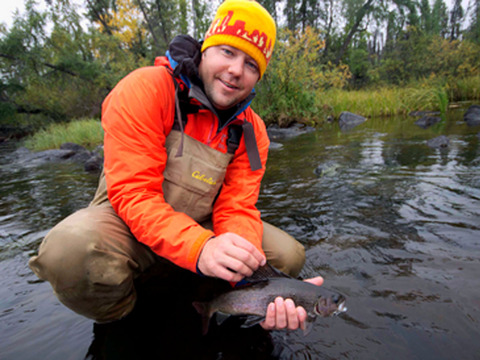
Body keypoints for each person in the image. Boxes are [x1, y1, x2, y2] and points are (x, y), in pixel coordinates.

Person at [28, 0, 323, 332]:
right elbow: (134, 194)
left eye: (252, 65)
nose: (237, 70)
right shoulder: (146, 89)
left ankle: (218, 302)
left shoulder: (253, 132)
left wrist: (254, 285)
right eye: (227, 52)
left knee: (287, 257)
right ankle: (123, 320)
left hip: (203, 228)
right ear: (205, 50)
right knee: (69, 252)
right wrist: (200, 248)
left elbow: (238, 207)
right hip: (127, 222)